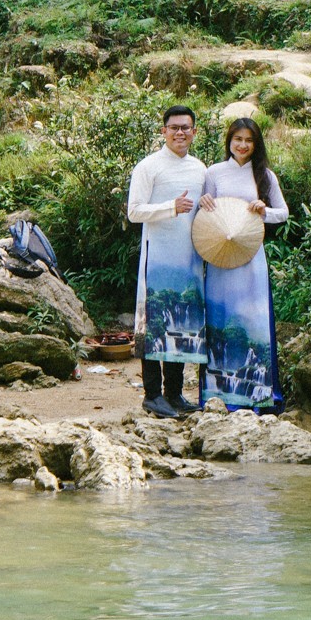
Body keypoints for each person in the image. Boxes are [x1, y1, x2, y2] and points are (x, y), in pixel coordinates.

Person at [197, 117, 288, 411]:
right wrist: (203, 203)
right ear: (229, 141)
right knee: (219, 319)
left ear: (256, 144)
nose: (243, 145)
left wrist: (264, 211)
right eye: (238, 139)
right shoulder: (214, 173)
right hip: (220, 258)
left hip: (251, 258)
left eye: (249, 140)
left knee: (253, 319)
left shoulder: (265, 176)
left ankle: (258, 393)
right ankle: (219, 392)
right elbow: (202, 210)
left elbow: (283, 213)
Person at [126, 104, 208, 418]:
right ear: (163, 131)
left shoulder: (200, 169)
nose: (180, 133)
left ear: (194, 132)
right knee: (154, 324)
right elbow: (134, 212)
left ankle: (174, 395)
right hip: (157, 258)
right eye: (173, 127)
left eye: (185, 127)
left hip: (188, 260)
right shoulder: (149, 166)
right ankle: (152, 394)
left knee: (181, 324)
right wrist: (171, 207)